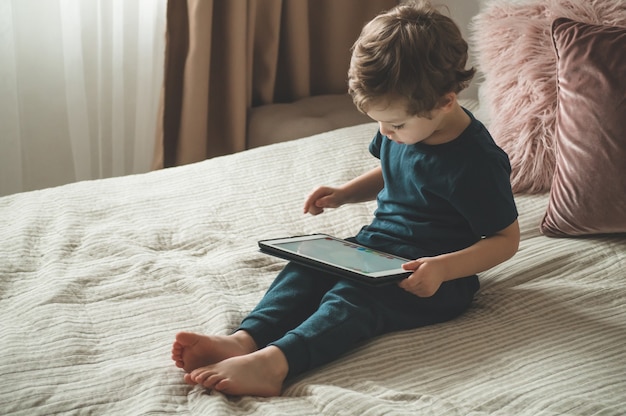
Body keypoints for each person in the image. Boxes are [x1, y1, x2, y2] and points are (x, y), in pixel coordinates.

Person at [171, 0, 520, 397]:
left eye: (395, 124)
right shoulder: (406, 129)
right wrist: (345, 193)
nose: (386, 133)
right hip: (375, 250)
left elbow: (505, 239)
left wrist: (441, 269)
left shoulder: (476, 162)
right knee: (307, 270)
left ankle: (276, 362)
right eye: (379, 123)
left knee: (351, 300)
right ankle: (247, 339)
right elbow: (394, 171)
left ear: (446, 100)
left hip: (431, 279)